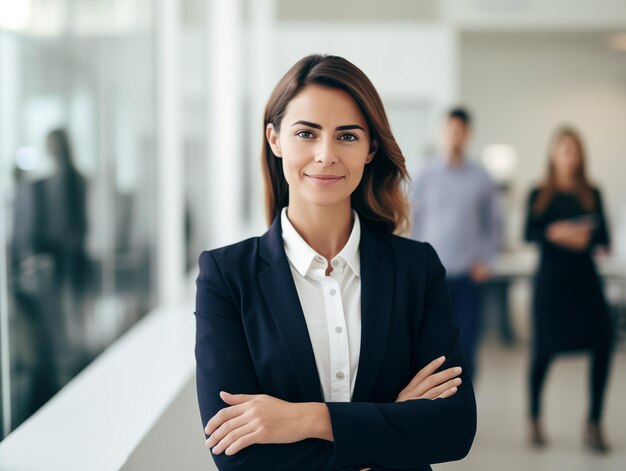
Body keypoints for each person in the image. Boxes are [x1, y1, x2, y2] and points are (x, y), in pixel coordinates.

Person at [195, 54, 476, 471]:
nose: (326, 154)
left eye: (347, 137)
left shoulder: (417, 269)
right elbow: (238, 457)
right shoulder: (227, 276)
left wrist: (304, 418)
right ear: (274, 139)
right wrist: (390, 422)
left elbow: (453, 427)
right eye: (307, 133)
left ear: (370, 149)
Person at [524, 126, 614, 453]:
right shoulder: (539, 193)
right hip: (552, 283)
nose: (569, 156)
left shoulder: (592, 192)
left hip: (585, 280)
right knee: (543, 351)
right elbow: (529, 233)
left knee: (603, 343)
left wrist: (582, 237)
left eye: (574, 150)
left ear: (581, 155)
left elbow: (604, 238)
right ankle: (534, 417)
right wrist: (558, 234)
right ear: (553, 154)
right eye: (564, 149)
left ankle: (594, 422)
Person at [409, 108, 501, 379]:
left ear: (467, 135)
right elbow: (410, 220)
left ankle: (464, 403)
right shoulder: (422, 174)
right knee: (429, 345)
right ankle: (434, 405)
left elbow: (494, 224)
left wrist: (487, 260)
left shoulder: (481, 178)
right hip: (431, 277)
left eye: (460, 131)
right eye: (449, 130)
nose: (454, 136)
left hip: (468, 276)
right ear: (441, 133)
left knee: (468, 342)